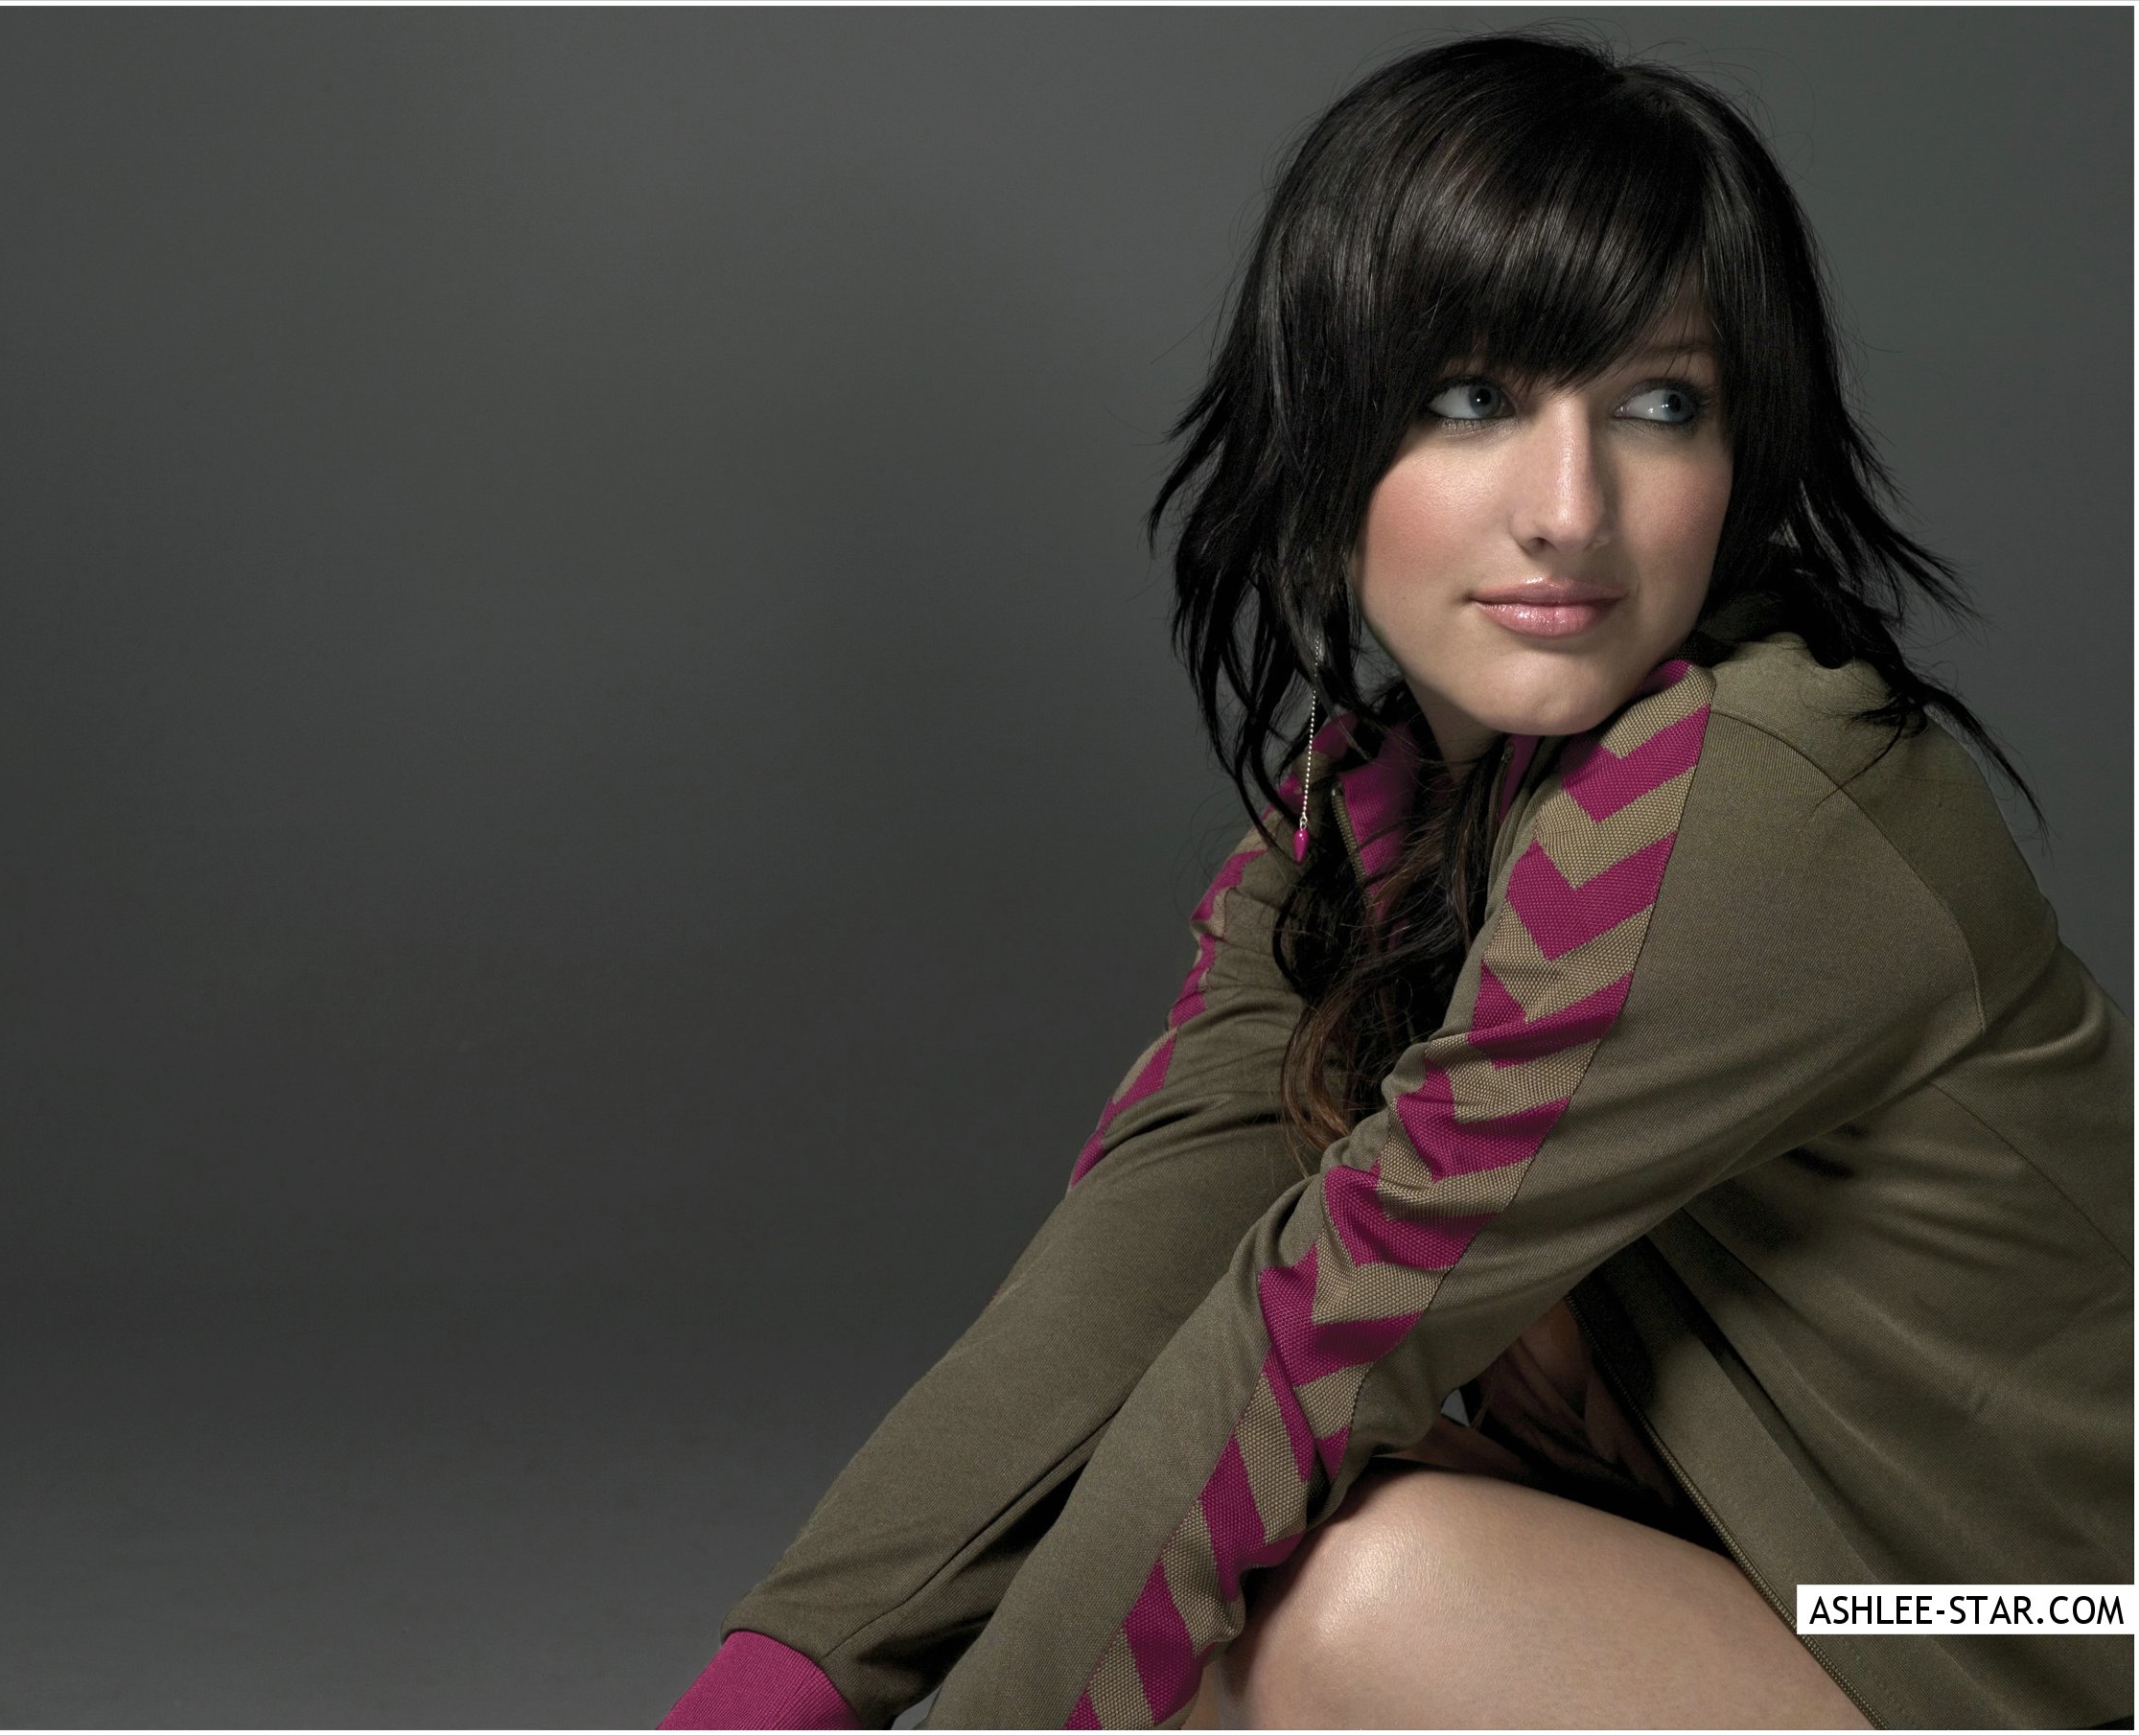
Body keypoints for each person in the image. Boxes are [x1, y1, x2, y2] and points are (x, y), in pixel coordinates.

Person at [661, 28, 2132, 1731]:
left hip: (2050, 1628)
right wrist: (755, 1701)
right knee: (1250, 1507)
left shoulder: (1749, 796)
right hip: (1800, 1580)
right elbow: (1129, 1280)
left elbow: (1314, 1336)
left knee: (1343, 1582)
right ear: (1327, 433)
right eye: (1473, 399)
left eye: (1662, 406)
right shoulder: (1379, 804)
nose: (1570, 508)